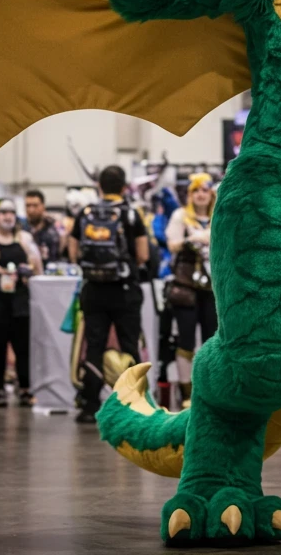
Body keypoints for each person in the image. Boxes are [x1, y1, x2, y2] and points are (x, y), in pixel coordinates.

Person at [69, 165, 149, 423]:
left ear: (99, 186)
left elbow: (73, 252)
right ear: (124, 188)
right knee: (129, 344)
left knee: (94, 345)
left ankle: (90, 405)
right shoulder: (132, 214)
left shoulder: (85, 213)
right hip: (125, 290)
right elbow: (143, 255)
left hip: (93, 289)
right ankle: (132, 404)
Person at [165, 173, 218, 409]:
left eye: (205, 190)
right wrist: (192, 239)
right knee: (185, 340)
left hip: (213, 289)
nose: (200, 195)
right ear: (189, 194)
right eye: (195, 190)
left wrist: (207, 237)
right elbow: (172, 245)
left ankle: (209, 389)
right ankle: (186, 392)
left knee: (212, 341)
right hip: (186, 287)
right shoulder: (180, 216)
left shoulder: (218, 216)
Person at [0, 200, 43, 407]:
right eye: (3, 212)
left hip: (20, 300)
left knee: (23, 347)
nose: (7, 216)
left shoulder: (24, 238)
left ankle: (25, 388)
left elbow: (37, 267)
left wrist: (27, 270)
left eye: (11, 212)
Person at [24, 190, 61, 265]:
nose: (31, 210)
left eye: (35, 205)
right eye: (28, 206)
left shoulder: (54, 226)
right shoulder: (21, 228)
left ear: (43, 206)